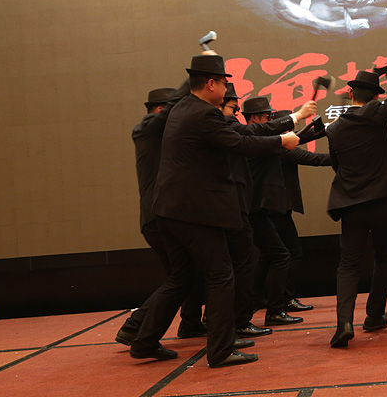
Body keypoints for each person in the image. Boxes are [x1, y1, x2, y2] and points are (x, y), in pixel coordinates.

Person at [129, 54, 300, 368]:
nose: (226, 89)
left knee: (181, 278)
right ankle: (220, 350)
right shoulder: (204, 114)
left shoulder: (181, 108)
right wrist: (281, 141)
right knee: (221, 275)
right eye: (223, 82)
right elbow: (240, 144)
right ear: (210, 84)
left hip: (169, 210)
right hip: (195, 213)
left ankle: (144, 340)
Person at [325, 31, 387, 347]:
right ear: (375, 96)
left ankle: (343, 323)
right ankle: (375, 315)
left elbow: (336, 165)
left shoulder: (334, 129)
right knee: (384, 258)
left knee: (348, 265)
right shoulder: (377, 114)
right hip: (384, 203)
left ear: (351, 94)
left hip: (351, 205)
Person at [217, 86, 316, 338]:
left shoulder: (237, 133)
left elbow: (280, 141)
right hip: (250, 208)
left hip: (250, 208)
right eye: (232, 108)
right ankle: (266, 311)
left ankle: (251, 312)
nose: (234, 114)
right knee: (275, 257)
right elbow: (272, 141)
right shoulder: (235, 131)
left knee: (265, 258)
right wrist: (297, 117)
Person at [115, 84, 205, 346]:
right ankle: (136, 328)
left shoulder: (161, 137)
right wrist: (196, 79)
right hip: (159, 218)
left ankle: (187, 323)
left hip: (160, 217)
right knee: (182, 276)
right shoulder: (147, 129)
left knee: (187, 274)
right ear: (159, 110)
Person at [242, 96, 316, 326]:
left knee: (273, 255)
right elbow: (289, 144)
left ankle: (263, 303)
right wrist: (299, 116)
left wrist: (327, 128)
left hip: (258, 210)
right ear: (255, 119)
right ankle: (275, 308)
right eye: (268, 118)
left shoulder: (258, 141)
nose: (271, 122)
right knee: (282, 255)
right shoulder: (256, 142)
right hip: (256, 210)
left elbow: (293, 139)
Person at [265, 109, 331, 313]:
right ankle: (285, 299)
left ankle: (267, 298)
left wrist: (329, 128)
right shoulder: (283, 151)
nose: (295, 133)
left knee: (271, 257)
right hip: (278, 210)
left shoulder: (270, 145)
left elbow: (304, 136)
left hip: (271, 209)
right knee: (292, 254)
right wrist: (348, 154)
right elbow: (318, 159)